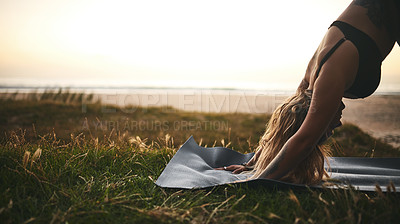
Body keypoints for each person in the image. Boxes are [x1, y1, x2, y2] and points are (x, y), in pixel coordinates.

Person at [216, 0, 400, 185]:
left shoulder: (329, 79)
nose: (338, 125)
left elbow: (304, 140)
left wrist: (257, 180)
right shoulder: (309, 84)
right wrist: (252, 164)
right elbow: (282, 132)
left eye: (326, 129)